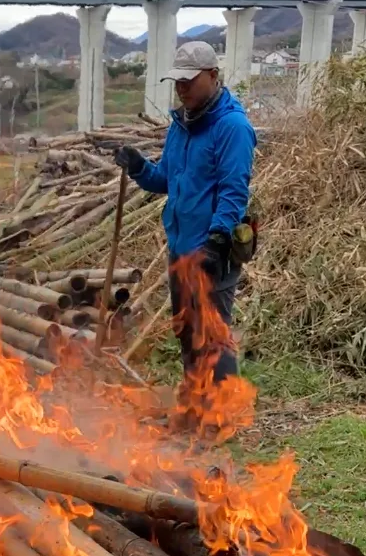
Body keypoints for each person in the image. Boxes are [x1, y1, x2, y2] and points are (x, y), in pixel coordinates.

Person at [114, 41, 257, 386]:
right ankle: (196, 404)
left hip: (210, 250)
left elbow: (233, 190)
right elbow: (166, 179)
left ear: (212, 75)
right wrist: (138, 167)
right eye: (177, 81)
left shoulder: (232, 127)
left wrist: (217, 239)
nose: (181, 88)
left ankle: (222, 414)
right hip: (180, 248)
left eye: (189, 81)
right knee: (187, 330)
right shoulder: (182, 124)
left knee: (213, 335)